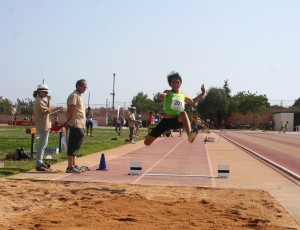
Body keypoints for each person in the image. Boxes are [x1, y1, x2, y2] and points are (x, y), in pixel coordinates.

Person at [144, 71, 205, 146]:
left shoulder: (182, 95)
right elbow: (164, 94)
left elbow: (193, 101)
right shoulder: (168, 92)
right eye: (174, 82)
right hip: (165, 121)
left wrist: (202, 93)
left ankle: (190, 135)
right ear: (170, 84)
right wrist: (162, 95)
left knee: (183, 113)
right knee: (146, 142)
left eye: (178, 82)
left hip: (176, 121)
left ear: (180, 83)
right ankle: (166, 130)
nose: (176, 84)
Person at [33, 83, 63, 171]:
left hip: (44, 124)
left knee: (43, 145)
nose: (46, 94)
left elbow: (48, 110)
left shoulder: (41, 100)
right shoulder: (39, 101)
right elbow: (47, 111)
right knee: (42, 145)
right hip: (43, 124)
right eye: (45, 92)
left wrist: (50, 102)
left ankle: (40, 162)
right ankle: (38, 164)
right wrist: (56, 108)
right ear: (39, 92)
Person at [65, 79, 88, 173]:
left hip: (81, 124)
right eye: (84, 86)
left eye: (86, 86)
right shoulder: (74, 96)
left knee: (76, 146)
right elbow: (70, 110)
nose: (85, 88)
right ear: (78, 86)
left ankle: (74, 164)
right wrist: (67, 121)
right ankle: (69, 166)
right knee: (72, 145)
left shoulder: (79, 96)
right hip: (75, 124)